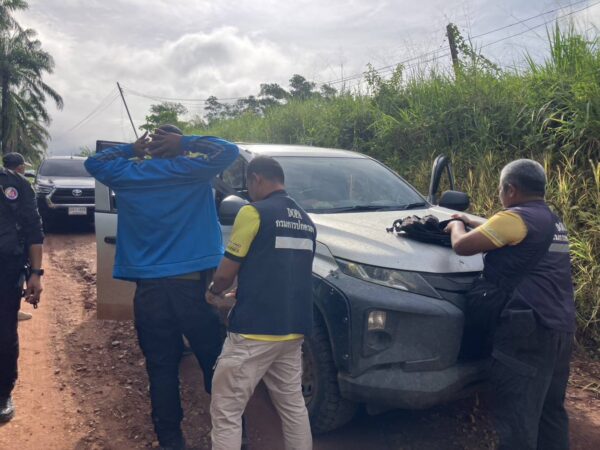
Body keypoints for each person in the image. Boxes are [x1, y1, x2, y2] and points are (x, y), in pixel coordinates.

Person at [84, 126, 239, 450]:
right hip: (193, 290)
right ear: (179, 147)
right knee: (214, 361)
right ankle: (233, 436)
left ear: (151, 149)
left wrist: (131, 149)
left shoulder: (128, 174)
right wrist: (187, 142)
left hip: (150, 292)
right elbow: (229, 150)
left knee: (161, 367)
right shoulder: (194, 169)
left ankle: (170, 441)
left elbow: (93, 163)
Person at [444, 159, 576, 450]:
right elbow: (506, 231)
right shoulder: (551, 221)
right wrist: (472, 220)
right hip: (560, 328)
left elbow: (462, 246)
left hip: (527, 331)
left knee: (518, 414)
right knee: (551, 413)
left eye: (501, 189)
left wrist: (456, 225)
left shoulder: (515, 218)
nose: (500, 194)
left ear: (511, 190)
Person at [206, 156, 316, 450]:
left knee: (227, 410)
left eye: (249, 184)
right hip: (292, 330)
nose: (249, 191)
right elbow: (282, 272)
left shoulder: (253, 212)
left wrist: (214, 292)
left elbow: (226, 273)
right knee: (293, 406)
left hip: (253, 333)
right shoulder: (306, 220)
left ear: (256, 178)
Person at [0, 157, 44, 422]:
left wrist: (36, 274)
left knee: (4, 333)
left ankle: (3, 392)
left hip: (6, 270)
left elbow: (33, 230)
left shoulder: (15, 184)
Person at [2, 152, 34, 321]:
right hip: (13, 245)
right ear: (20, 168)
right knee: (15, 278)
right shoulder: (21, 185)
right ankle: (13, 310)